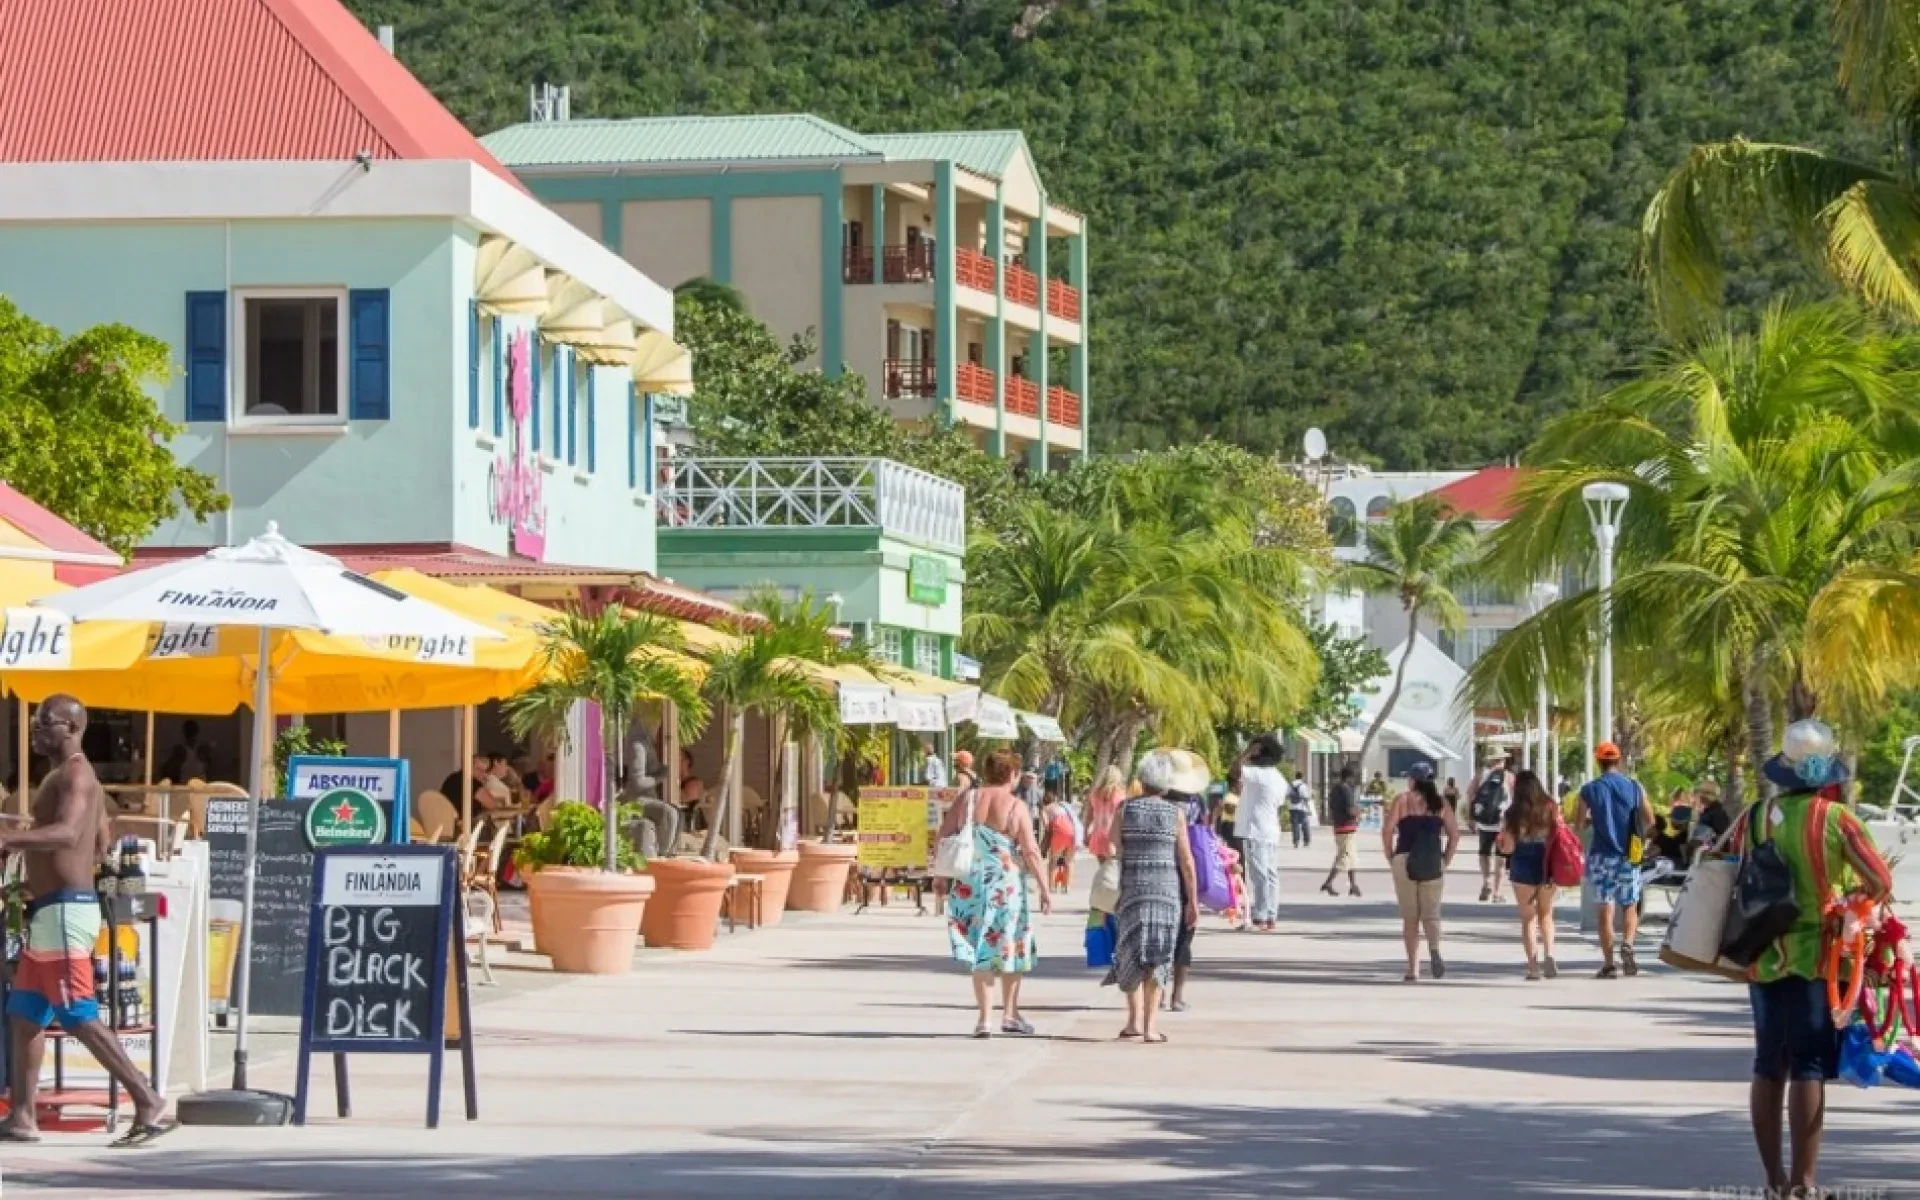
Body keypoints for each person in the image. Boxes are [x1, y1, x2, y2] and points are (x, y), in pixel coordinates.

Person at [1728, 720, 1891, 1199]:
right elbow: (1880, 881)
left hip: (1762, 954)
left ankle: (1773, 1180)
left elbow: (1724, 863)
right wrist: (1849, 900)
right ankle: (1804, 1182)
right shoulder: (1837, 820)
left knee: (1768, 1062)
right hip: (1819, 959)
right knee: (1809, 1066)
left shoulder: (1754, 817)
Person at [0, 695, 169, 1145]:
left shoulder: (75, 774)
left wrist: (10, 838)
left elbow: (69, 833)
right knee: (24, 1014)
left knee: (77, 1013)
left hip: (64, 911)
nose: (36, 730)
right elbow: (98, 844)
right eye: (35, 722)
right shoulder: (68, 775)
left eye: (46, 723)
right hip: (52, 908)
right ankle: (22, 1116)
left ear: (73, 728)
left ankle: (146, 1098)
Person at [936, 748, 1051, 1038]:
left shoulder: (967, 799)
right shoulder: (1015, 806)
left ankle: (984, 1019)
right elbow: (1031, 851)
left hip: (970, 882)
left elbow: (944, 836)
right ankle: (1010, 1014)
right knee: (1011, 943)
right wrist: (1044, 888)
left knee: (980, 947)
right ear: (1012, 774)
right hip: (1005, 884)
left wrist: (939, 876)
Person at [1110, 749, 1200, 1042]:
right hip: (1166, 894)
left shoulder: (1124, 810)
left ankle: (1133, 1022)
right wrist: (1193, 900)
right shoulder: (1176, 813)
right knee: (1159, 956)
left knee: (1130, 952)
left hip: (1132, 891)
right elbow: (1186, 861)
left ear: (1143, 779)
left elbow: (1113, 849)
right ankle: (1150, 1028)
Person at [1578, 742, 1655, 978]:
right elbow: (1650, 820)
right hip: (1629, 855)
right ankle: (1628, 944)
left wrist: (1593, 821)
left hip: (1602, 856)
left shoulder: (1589, 789)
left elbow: (1579, 824)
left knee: (1605, 910)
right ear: (1618, 760)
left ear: (1598, 762)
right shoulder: (1634, 786)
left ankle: (1609, 964)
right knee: (1630, 904)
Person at [1381, 765, 1459, 982]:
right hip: (1432, 861)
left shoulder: (1402, 800)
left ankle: (1413, 968)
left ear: (1414, 780)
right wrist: (1445, 859)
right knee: (1431, 914)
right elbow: (1454, 834)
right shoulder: (1441, 804)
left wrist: (1390, 855)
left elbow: (1387, 830)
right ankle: (1434, 949)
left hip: (1405, 859)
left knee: (1410, 918)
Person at [1497, 770, 1561, 980]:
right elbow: (1559, 834)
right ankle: (1550, 954)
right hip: (1546, 862)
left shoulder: (1512, 813)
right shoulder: (1550, 807)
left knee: (1528, 918)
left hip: (1523, 862)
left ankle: (1533, 967)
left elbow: (1508, 848)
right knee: (1546, 914)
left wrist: (1501, 846)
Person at [1165, 773, 1212, 1013]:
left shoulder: (1158, 802)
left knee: (1159, 936)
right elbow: (1206, 830)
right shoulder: (1196, 802)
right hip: (1188, 869)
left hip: (1161, 872)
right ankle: (1177, 996)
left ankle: (1157, 992)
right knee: (1185, 935)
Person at [1230, 734, 1287, 932]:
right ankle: (1270, 915)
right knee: (1270, 874)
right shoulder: (1279, 778)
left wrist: (1246, 753)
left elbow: (1234, 770)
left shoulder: (1256, 774)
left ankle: (1260, 916)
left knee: (1259, 874)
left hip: (1255, 829)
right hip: (1271, 830)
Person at [1468, 751, 1515, 902]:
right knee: (1500, 858)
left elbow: (1470, 793)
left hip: (1484, 823)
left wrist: (1472, 817)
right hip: (1502, 823)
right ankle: (1497, 893)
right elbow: (1515, 799)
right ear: (1503, 760)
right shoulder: (1509, 777)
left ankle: (1486, 881)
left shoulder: (1481, 774)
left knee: (1484, 853)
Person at [1319, 764, 1363, 897]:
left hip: (1339, 826)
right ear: (1349, 777)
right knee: (1344, 857)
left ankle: (1353, 885)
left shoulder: (1335, 790)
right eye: (1353, 778)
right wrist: (1360, 812)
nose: (1354, 780)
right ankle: (1328, 883)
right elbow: (1351, 809)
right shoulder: (1346, 790)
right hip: (1347, 827)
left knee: (1351, 857)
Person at [1083, 765, 1125, 861]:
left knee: (1103, 867)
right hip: (1114, 837)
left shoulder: (1095, 795)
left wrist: (1085, 834)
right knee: (1114, 867)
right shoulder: (1121, 796)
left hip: (1098, 836)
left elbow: (1088, 817)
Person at [1040, 783, 1076, 893]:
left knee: (1053, 861)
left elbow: (1046, 826)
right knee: (1069, 861)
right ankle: (1066, 887)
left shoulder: (1045, 809)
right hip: (1073, 831)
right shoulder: (1062, 806)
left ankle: (1051, 887)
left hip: (1059, 832)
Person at [158, 718, 212, 783]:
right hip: (184, 785)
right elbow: (169, 770)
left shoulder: (203, 749)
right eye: (189, 730)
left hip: (200, 785)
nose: (191, 732)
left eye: (192, 730)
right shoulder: (179, 750)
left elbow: (210, 769)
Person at [1286, 770, 1314, 849]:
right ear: (1302, 777)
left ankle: (1296, 842)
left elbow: (1287, 795)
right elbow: (1306, 797)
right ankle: (1306, 841)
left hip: (1292, 807)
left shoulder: (1290, 785)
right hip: (1302, 808)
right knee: (1305, 825)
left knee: (1295, 826)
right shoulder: (1303, 785)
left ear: (1295, 776)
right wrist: (1309, 808)